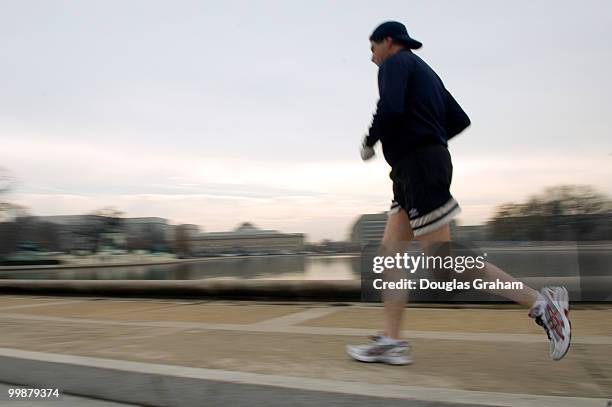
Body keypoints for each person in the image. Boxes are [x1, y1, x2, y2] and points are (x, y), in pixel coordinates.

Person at [346, 21, 571, 365]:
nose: (371, 57)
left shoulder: (396, 63)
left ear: (387, 42)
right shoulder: (427, 74)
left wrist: (370, 140)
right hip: (413, 169)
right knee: (389, 255)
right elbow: (459, 119)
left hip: (419, 168)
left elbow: (389, 108)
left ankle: (542, 306)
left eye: (372, 48)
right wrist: (429, 137)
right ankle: (391, 340)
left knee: (444, 261)